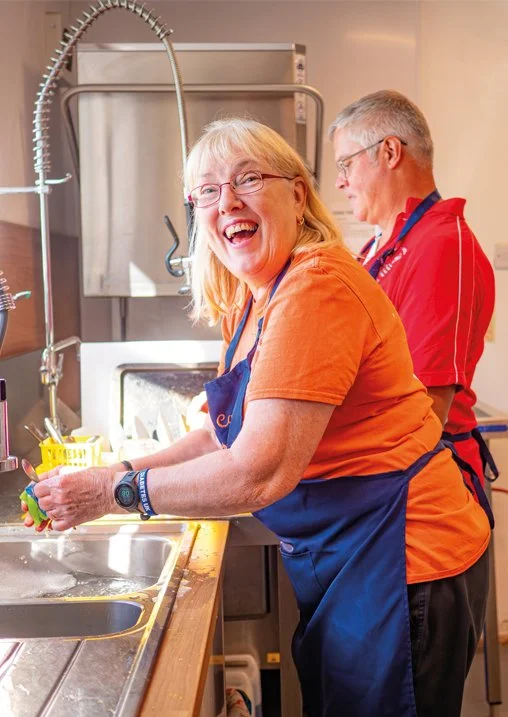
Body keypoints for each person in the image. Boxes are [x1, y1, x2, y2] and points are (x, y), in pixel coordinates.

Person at [25, 118, 492, 717]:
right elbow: (221, 437)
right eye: (208, 191)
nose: (228, 202)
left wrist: (112, 492)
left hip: (402, 560)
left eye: (248, 179)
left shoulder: (315, 286)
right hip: (353, 559)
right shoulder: (254, 299)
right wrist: (119, 469)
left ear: (298, 194)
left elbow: (256, 471)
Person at [329, 89, 497, 492]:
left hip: (421, 493)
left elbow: (425, 411)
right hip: (384, 478)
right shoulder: (378, 249)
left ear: (389, 152)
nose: (340, 181)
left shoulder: (441, 244)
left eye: (346, 163)